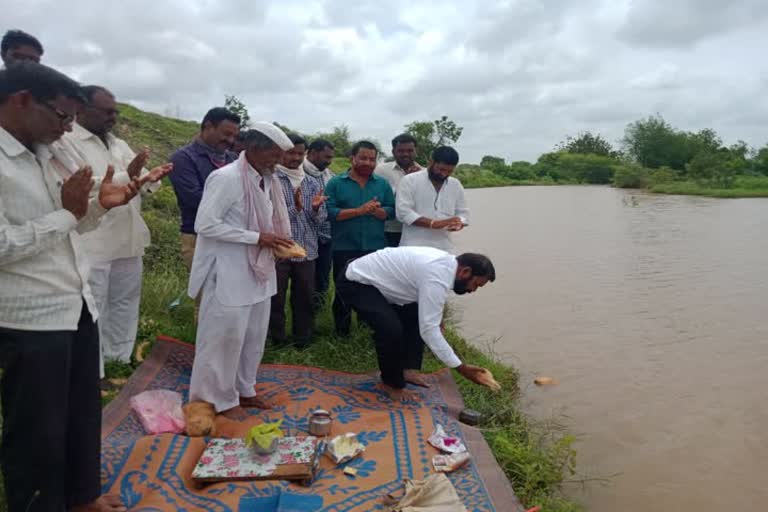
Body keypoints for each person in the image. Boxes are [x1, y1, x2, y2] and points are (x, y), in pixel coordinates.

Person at [0, 62, 156, 512]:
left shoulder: (48, 152)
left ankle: (82, 497)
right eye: (62, 116)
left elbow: (73, 225)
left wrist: (97, 207)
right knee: (37, 429)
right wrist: (67, 215)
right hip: (29, 315)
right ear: (22, 99)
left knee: (80, 413)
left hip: (75, 302)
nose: (68, 127)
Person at [57, 85, 172, 376]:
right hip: (94, 239)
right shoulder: (68, 141)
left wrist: (148, 178)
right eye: (107, 111)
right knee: (95, 307)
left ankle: (119, 359)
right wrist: (129, 174)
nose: (113, 117)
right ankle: (93, 370)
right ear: (81, 109)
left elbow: (139, 181)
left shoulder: (117, 143)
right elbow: (83, 182)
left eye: (116, 112)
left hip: (129, 238)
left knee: (125, 301)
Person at [188, 123, 294, 420]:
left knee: (253, 334)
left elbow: (271, 221)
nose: (279, 160)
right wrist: (257, 237)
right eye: (275, 154)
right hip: (229, 269)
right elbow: (205, 225)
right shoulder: (226, 178)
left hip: (260, 269)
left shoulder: (269, 179)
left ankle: (245, 389)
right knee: (223, 337)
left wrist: (274, 241)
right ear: (256, 148)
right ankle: (215, 400)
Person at [335, 247, 496, 401]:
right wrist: (462, 368)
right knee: (390, 329)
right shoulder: (437, 275)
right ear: (465, 272)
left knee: (416, 316)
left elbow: (429, 301)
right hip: (356, 282)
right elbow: (430, 331)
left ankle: (408, 370)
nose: (473, 290)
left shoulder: (447, 266)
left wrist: (437, 318)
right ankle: (391, 384)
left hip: (382, 283)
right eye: (475, 284)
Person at [325, 140, 394, 336]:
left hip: (375, 247)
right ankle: (342, 333)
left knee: (372, 292)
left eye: (372, 159)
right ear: (352, 158)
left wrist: (381, 212)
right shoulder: (336, 183)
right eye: (363, 158)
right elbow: (331, 213)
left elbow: (392, 209)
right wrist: (360, 210)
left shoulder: (382, 184)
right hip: (344, 246)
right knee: (343, 291)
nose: (368, 162)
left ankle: (367, 330)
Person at [270, 134, 328, 346]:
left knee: (305, 297)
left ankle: (303, 338)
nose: (295, 157)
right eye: (290, 152)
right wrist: (295, 208)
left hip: (307, 249)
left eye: (299, 153)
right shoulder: (270, 179)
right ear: (280, 152)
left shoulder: (312, 182)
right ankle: (277, 339)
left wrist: (315, 208)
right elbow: (270, 217)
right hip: (278, 249)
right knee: (275, 297)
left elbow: (320, 219)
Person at [168, 107, 240, 270]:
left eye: (234, 136)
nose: (231, 141)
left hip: (232, 236)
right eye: (226, 134)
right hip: (199, 238)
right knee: (207, 293)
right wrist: (237, 203)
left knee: (231, 293)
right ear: (208, 127)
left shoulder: (232, 159)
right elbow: (195, 199)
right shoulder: (183, 159)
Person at [396, 146, 469, 253]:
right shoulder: (409, 180)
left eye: (449, 171)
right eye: (441, 169)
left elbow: (464, 213)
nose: (444, 174)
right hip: (413, 247)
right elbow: (403, 213)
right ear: (431, 162)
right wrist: (434, 224)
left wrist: (459, 223)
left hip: (445, 248)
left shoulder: (455, 184)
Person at [302, 138, 335, 312]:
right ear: (312, 153)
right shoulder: (298, 172)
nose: (329, 161)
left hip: (325, 236)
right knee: (303, 279)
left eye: (331, 158)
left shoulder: (330, 175)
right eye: (326, 157)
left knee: (322, 277)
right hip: (304, 234)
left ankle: (317, 313)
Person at [375, 133, 423, 247]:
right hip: (389, 230)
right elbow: (376, 198)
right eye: (401, 151)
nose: (405, 154)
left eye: (410, 150)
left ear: (416, 151)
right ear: (393, 152)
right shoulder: (380, 171)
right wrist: (407, 181)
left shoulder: (424, 173)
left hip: (416, 230)